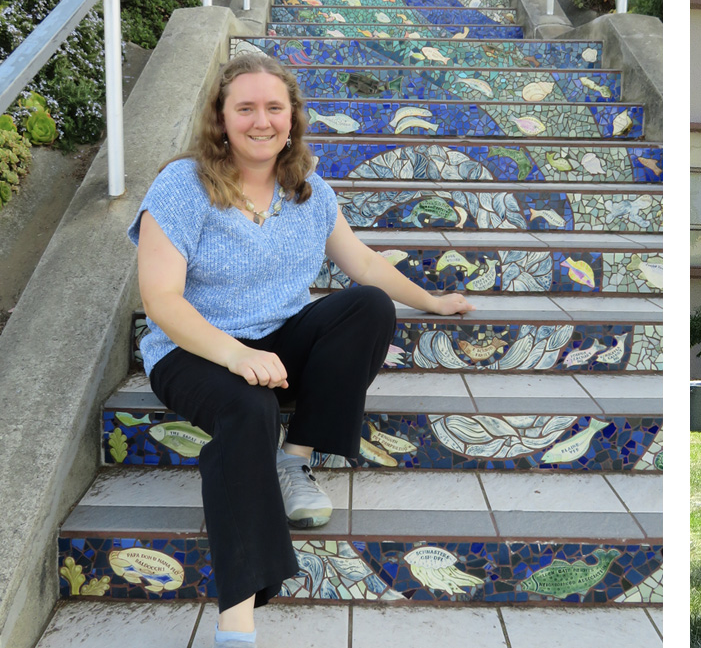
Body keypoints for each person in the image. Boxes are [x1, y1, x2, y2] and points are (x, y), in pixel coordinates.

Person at [128, 53, 474, 647]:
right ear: (221, 117)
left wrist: (433, 304)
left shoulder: (309, 190)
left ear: (292, 119)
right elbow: (161, 299)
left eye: (274, 108)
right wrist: (233, 356)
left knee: (367, 304)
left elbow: (362, 263)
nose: (260, 121)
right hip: (194, 347)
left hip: (280, 340)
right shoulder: (182, 185)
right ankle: (237, 617)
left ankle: (296, 458)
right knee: (249, 409)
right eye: (245, 108)